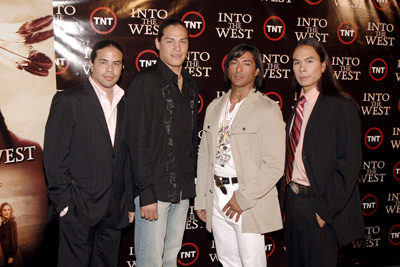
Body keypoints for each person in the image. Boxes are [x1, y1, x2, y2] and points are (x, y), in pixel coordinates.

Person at [43, 39, 136, 267]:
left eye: (116, 64)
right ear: (91, 64)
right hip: (78, 207)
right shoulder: (68, 101)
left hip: (114, 208)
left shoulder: (124, 105)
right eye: (104, 62)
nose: (110, 69)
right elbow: (54, 157)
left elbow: (124, 158)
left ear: (122, 68)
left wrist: (129, 204)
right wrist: (64, 204)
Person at [195, 43, 285, 267]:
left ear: (256, 71)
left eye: (246, 63)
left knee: (252, 262)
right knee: (227, 261)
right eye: (234, 63)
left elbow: (274, 165)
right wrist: (201, 198)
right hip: (216, 196)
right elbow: (205, 155)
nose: (238, 69)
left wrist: (242, 199)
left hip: (247, 199)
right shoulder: (215, 107)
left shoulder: (267, 109)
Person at [282, 38, 364, 267]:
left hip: (318, 206)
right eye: (297, 63)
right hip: (293, 202)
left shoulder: (341, 105)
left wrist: (323, 213)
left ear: (324, 65)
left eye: (309, 61)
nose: (302, 68)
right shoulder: (298, 105)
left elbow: (348, 166)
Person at [127, 18, 198, 267]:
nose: (177, 48)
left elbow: (190, 140)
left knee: (170, 259)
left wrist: (192, 186)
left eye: (183, 41)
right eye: (170, 41)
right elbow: (136, 141)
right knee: (149, 262)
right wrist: (146, 194)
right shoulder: (145, 81)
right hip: (154, 192)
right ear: (158, 43)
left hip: (182, 190)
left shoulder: (189, 84)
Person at [0, 202, 23, 267]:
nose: (7, 212)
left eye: (8, 210)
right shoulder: (2, 225)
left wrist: (11, 256)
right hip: (5, 254)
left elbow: (14, 240)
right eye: (5, 210)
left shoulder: (12, 223)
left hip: (12, 255)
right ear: (1, 212)